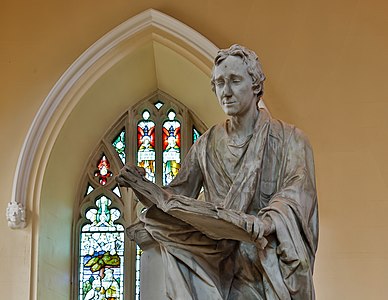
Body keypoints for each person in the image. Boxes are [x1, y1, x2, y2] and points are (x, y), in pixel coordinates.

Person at [117, 44, 318, 300]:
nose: (226, 92)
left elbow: (297, 195)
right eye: (220, 83)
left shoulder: (291, 140)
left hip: (265, 259)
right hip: (219, 257)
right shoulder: (207, 143)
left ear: (256, 85)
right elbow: (177, 197)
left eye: (235, 81)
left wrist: (266, 222)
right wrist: (143, 186)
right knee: (159, 229)